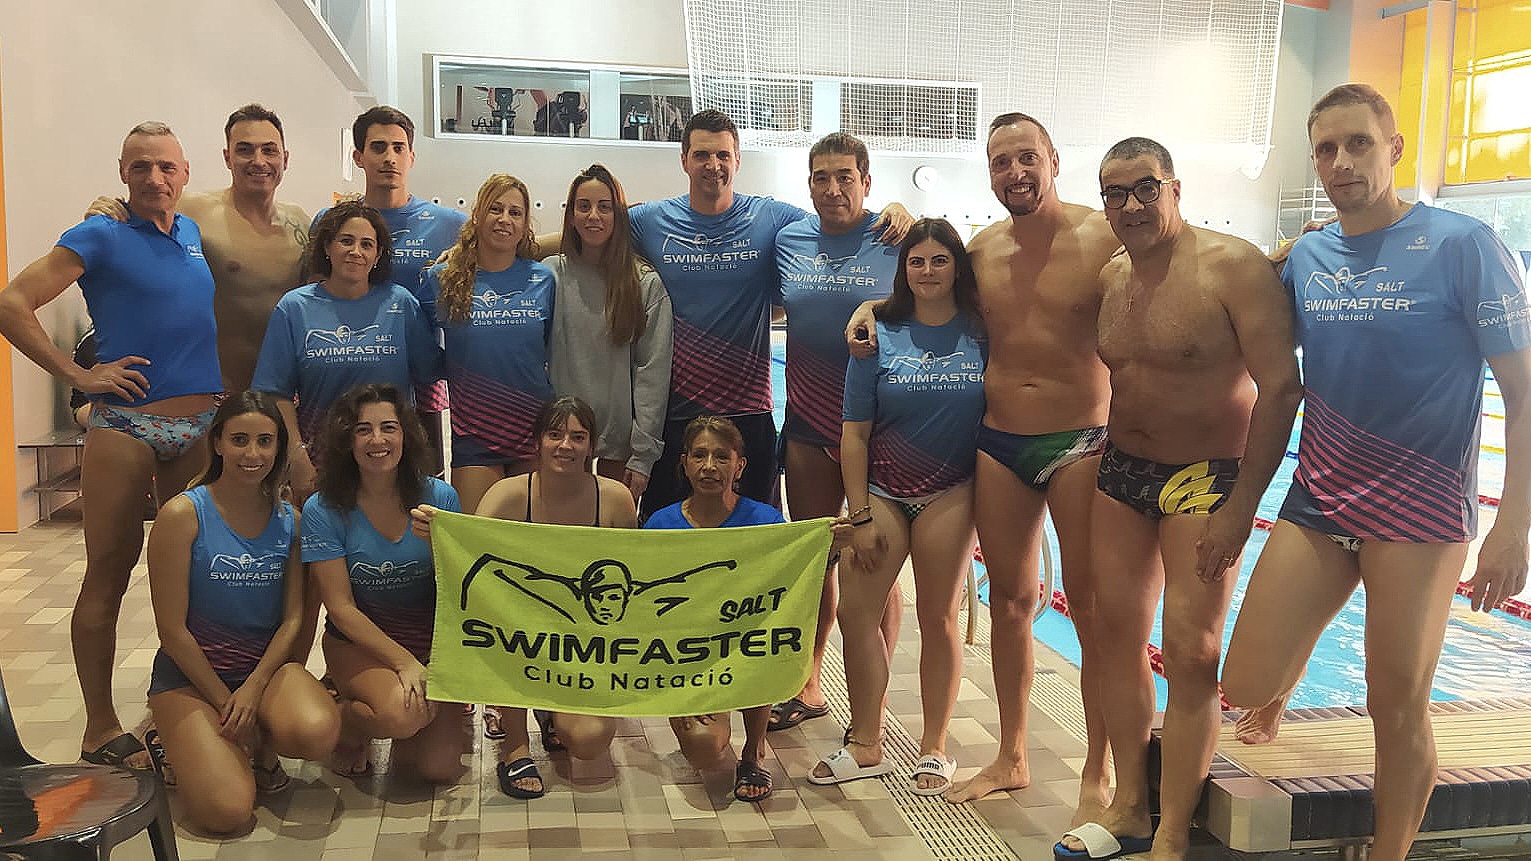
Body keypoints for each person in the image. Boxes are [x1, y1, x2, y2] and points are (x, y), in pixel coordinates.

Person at [1221, 84, 1531, 861]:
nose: (1340, 161)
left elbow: (1524, 395)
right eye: (1325, 148)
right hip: (1320, 498)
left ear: (1393, 149)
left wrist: (1510, 529)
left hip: (1420, 515)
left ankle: (1388, 851)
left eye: (1357, 143)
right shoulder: (1308, 254)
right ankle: (1293, 670)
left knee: (1394, 705)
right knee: (1244, 680)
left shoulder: (1464, 246)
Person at [847, 112, 1121, 808]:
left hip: (1078, 441)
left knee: (1086, 607)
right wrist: (869, 307)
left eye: (1026, 157)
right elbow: (923, 295)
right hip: (998, 443)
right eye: (1000, 162)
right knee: (1007, 603)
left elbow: (1178, 256)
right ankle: (1011, 754)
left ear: (1053, 157)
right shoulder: (981, 250)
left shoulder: (1101, 234)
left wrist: (1287, 251)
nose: (1014, 172)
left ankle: (1097, 766)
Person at [1056, 138, 1302, 861]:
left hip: (1204, 479)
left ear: (1174, 187)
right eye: (1113, 192)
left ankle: (1170, 830)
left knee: (1191, 655)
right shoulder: (1109, 275)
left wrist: (1240, 505)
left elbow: (1281, 388)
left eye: (1144, 188)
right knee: (1109, 638)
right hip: (1122, 473)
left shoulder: (1232, 268)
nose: (1129, 204)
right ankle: (1130, 804)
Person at [0, 121, 223, 771]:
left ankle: (178, 701)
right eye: (140, 167)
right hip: (127, 427)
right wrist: (78, 375)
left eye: (166, 167)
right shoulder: (98, 233)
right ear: (121, 172)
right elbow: (13, 302)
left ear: (184, 173)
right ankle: (98, 725)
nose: (154, 178)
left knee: (191, 582)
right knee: (109, 572)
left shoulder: (190, 234)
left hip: (198, 428)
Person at [605, 109, 911, 521]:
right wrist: (524, 246)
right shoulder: (652, 220)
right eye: (701, 155)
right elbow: (591, 232)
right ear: (683, 160)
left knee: (767, 542)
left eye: (722, 155)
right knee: (670, 533)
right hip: (675, 410)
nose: (713, 166)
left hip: (749, 410)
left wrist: (900, 210)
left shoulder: (774, 221)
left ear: (737, 160)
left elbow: (841, 222)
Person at [811, 218, 987, 797]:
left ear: (957, 267)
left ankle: (934, 747)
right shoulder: (877, 333)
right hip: (883, 490)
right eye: (917, 262)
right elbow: (854, 433)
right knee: (858, 614)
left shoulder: (982, 332)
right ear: (902, 270)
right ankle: (866, 741)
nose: (928, 271)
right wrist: (858, 514)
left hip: (951, 490)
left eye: (940, 261)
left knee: (938, 620)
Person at [412, 397, 639, 799]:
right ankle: (513, 741)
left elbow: (632, 577)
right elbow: (470, 565)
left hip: (579, 642)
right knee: (503, 624)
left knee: (589, 739)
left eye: (577, 436)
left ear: (592, 446)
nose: (565, 446)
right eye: (554, 435)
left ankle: (553, 709)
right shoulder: (507, 497)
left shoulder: (616, 499)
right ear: (537, 442)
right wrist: (440, 536)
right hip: (517, 636)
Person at [144, 391, 339, 834]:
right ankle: (172, 740)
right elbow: (172, 632)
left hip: (261, 675)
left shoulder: (290, 519)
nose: (253, 454)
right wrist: (223, 701)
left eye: (265, 442)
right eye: (240, 440)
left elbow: (293, 620)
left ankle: (259, 748)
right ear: (217, 443)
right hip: (192, 680)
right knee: (227, 813)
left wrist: (252, 691)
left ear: (279, 448)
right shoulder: (182, 515)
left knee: (318, 732)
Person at [768, 133, 904, 732]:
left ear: (867, 182)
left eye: (845, 176)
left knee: (875, 561)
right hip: (806, 422)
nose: (832, 188)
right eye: (821, 177)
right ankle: (808, 680)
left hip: (878, 430)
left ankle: (872, 696)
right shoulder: (789, 239)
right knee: (816, 555)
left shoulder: (896, 237)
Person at [85, 104, 310, 394]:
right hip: (213, 394)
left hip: (282, 395)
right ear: (227, 158)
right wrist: (108, 209)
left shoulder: (302, 223)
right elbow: (135, 221)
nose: (258, 160)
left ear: (285, 158)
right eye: (245, 150)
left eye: (269, 150)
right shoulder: (192, 211)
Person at [303, 384, 465, 782]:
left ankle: (397, 719)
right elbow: (340, 608)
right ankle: (348, 719)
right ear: (346, 440)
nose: (377, 440)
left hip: (432, 644)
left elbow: (461, 589)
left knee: (437, 769)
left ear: (406, 435)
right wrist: (404, 663)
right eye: (363, 430)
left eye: (388, 428)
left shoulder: (440, 497)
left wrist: (444, 547)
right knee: (401, 714)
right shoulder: (322, 509)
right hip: (358, 643)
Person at [644, 416, 795, 803]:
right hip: (689, 658)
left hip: (743, 650)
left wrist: (829, 541)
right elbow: (644, 613)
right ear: (684, 463)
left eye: (720, 457)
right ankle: (705, 714)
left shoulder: (765, 522)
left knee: (764, 642)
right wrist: (671, 690)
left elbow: (785, 596)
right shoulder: (660, 526)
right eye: (699, 456)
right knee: (704, 750)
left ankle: (752, 753)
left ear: (739, 465)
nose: (709, 466)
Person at [251, 200, 440, 502]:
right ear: (327, 246)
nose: (356, 251)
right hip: (321, 464)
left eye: (367, 244)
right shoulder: (294, 307)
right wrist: (297, 459)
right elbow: (276, 394)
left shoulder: (401, 304)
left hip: (389, 463)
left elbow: (431, 376)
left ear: (378, 255)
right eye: (346, 241)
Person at [318, 106, 469, 475]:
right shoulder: (331, 223)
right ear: (358, 156)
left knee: (424, 484)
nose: (390, 158)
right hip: (346, 368)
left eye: (399, 148)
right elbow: (315, 293)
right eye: (379, 147)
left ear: (412, 157)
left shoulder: (451, 225)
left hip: (421, 376)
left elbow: (510, 250)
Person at [420, 174, 555, 515]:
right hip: (474, 434)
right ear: (477, 215)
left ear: (526, 224)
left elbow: (558, 351)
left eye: (515, 212)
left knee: (529, 543)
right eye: (496, 209)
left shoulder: (543, 279)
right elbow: (422, 352)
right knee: (477, 540)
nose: (504, 219)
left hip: (534, 431)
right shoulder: (442, 280)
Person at [545, 164, 673, 503]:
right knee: (567, 528)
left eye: (604, 207)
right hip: (562, 436)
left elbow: (652, 374)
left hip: (621, 440)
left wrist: (643, 455)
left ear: (618, 215)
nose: (593, 216)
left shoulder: (643, 283)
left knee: (612, 534)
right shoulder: (550, 276)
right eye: (583, 206)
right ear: (571, 215)